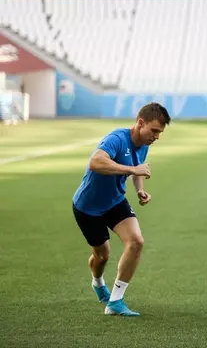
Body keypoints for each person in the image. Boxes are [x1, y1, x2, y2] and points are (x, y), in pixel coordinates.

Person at [72, 102, 171, 316]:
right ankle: (98, 282)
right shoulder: (117, 139)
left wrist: (140, 190)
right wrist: (132, 169)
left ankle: (115, 301)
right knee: (102, 256)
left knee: (136, 241)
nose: (156, 137)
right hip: (88, 207)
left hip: (115, 201)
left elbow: (137, 169)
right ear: (140, 123)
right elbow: (95, 162)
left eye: (159, 133)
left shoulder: (144, 144)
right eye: (154, 131)